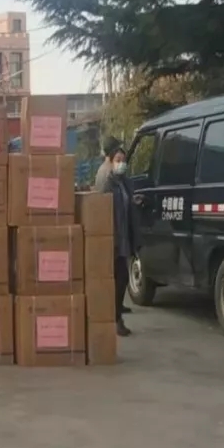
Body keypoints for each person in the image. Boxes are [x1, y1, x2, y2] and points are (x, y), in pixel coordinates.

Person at [93, 137, 139, 336]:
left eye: (123, 160)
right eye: (118, 160)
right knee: (119, 278)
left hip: (122, 235)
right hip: (112, 236)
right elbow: (103, 209)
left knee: (121, 277)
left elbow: (124, 202)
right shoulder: (106, 179)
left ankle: (115, 312)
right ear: (110, 159)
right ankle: (115, 317)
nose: (122, 163)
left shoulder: (121, 180)